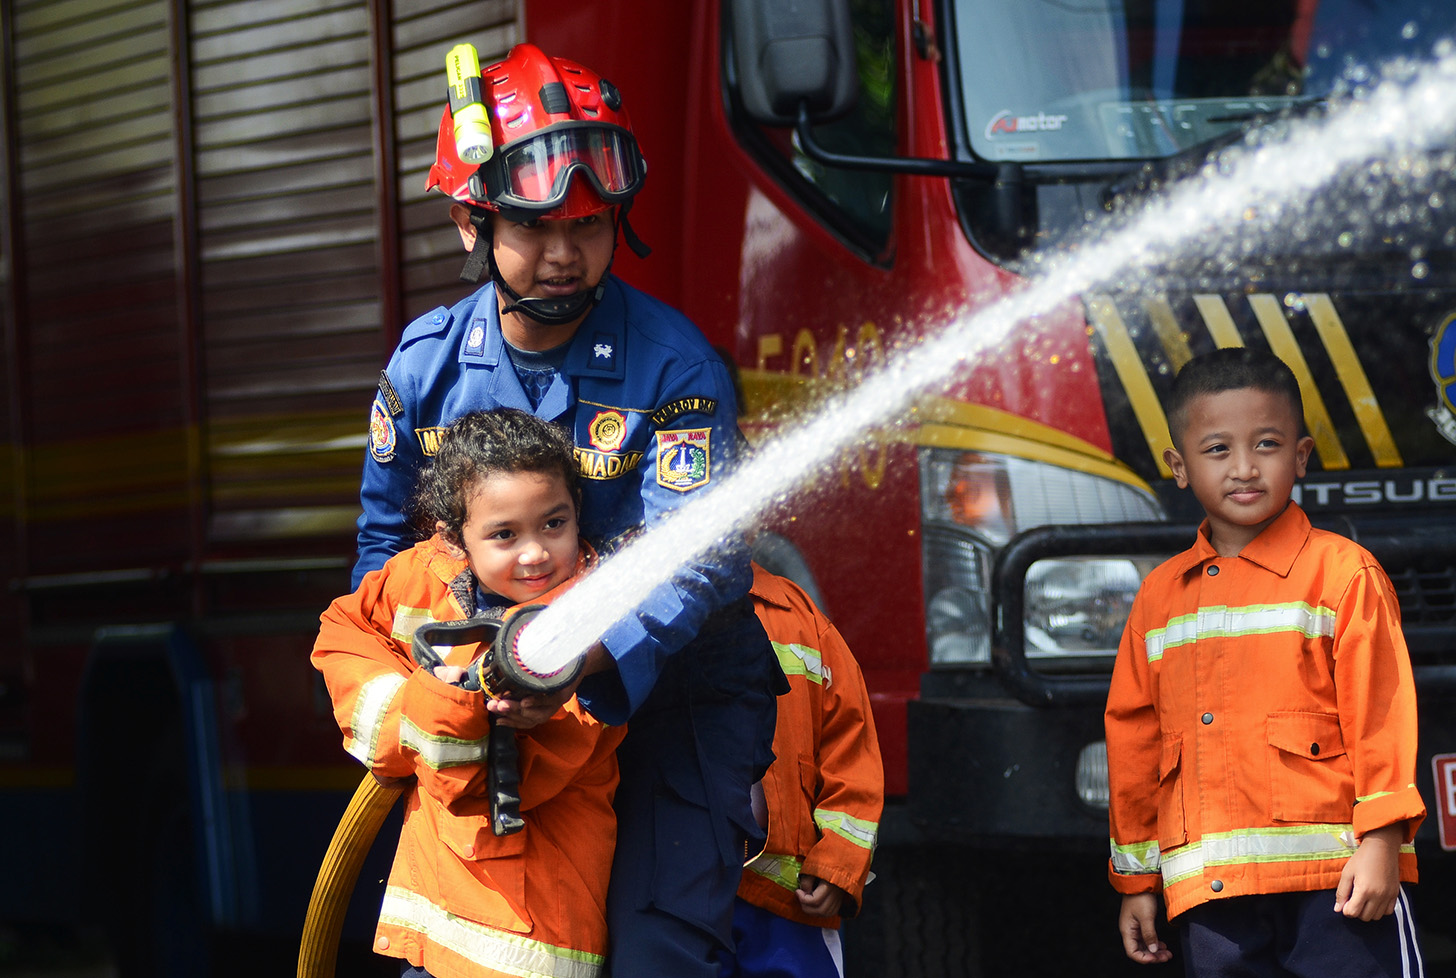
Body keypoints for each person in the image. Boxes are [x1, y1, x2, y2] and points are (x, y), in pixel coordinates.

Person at [352, 43, 784, 976]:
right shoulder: (424, 371)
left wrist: (588, 650)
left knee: (654, 955)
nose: (563, 255)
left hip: (673, 702)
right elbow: (384, 553)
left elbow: (697, 558)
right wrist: (442, 692)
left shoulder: (675, 367)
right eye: (534, 226)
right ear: (474, 220)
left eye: (589, 226)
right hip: (494, 714)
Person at [1104, 348, 1427, 976]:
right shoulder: (1158, 599)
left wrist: (1383, 841)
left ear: (1301, 456)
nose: (1245, 468)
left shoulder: (1343, 573)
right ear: (1179, 466)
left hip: (1337, 884)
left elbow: (1382, 716)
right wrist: (1137, 879)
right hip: (1212, 896)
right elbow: (1134, 743)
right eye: (1218, 449)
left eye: (1268, 444)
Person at [313, 409, 623, 978]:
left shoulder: (586, 628)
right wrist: (403, 718)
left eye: (554, 524)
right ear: (457, 539)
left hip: (531, 946)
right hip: (434, 924)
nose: (534, 553)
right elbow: (344, 632)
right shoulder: (421, 576)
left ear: (578, 510)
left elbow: (473, 781)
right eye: (504, 534)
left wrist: (448, 704)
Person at [718, 563, 883, 978]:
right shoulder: (642, 611)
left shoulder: (801, 620)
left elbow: (852, 758)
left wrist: (837, 867)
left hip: (791, 906)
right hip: (681, 898)